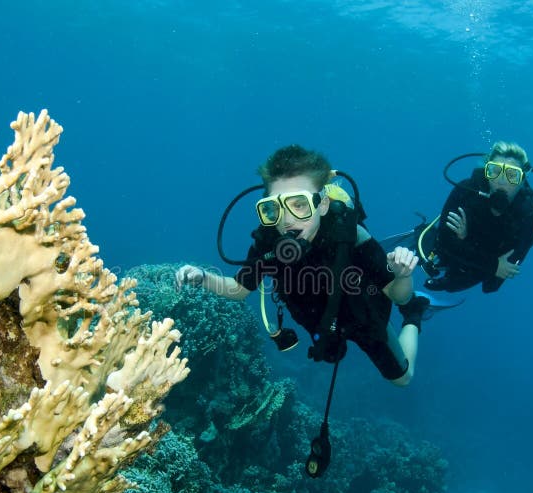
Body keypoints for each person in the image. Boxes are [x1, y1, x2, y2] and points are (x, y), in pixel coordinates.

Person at [176, 145, 430, 386]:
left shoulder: (350, 234)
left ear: (322, 204)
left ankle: (416, 313)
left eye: (299, 204)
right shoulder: (268, 241)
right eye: (274, 208)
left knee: (402, 380)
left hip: (363, 315)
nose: (287, 220)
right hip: (318, 322)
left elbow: (397, 295)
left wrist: (403, 276)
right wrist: (202, 278)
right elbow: (240, 289)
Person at [424, 141, 533, 293]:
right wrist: (494, 265)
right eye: (495, 171)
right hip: (448, 255)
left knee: (453, 286)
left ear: (522, 179)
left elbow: (493, 283)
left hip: (473, 270)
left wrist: (464, 241)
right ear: (486, 171)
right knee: (434, 252)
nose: (502, 180)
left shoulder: (526, 218)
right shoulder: (466, 192)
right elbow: (444, 240)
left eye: (512, 175)